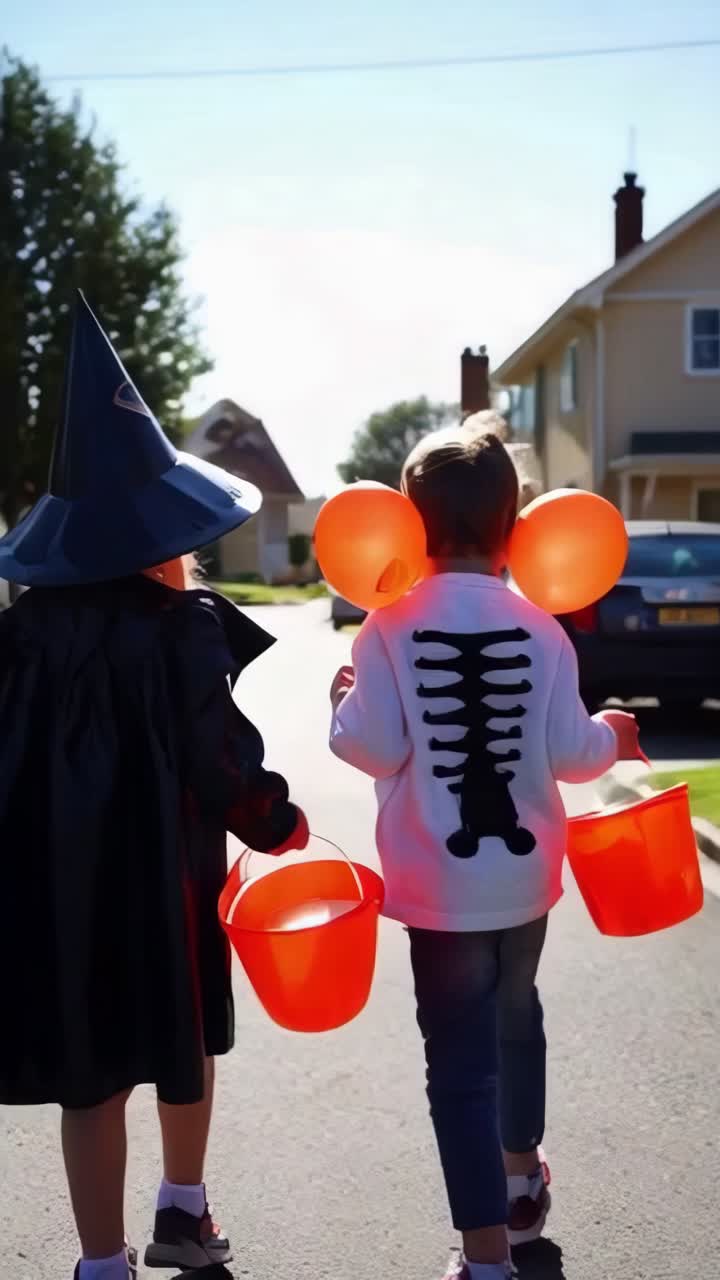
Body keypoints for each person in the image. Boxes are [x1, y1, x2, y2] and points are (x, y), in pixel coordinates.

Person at [0, 292, 308, 1280]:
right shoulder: (183, 628)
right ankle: (185, 1207)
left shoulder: (20, 637)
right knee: (183, 1043)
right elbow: (218, 755)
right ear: (157, 534)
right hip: (168, 892)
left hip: (57, 889)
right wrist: (277, 816)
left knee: (90, 1076)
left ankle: (102, 1261)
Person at [328, 427, 643, 1280]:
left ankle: (486, 1258)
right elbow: (575, 755)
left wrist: (340, 704)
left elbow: (374, 747)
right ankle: (520, 1184)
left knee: (459, 1061)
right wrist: (612, 734)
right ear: (517, 530)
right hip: (524, 879)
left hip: (438, 887)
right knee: (517, 1015)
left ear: (406, 526)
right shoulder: (540, 626)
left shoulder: (387, 626)